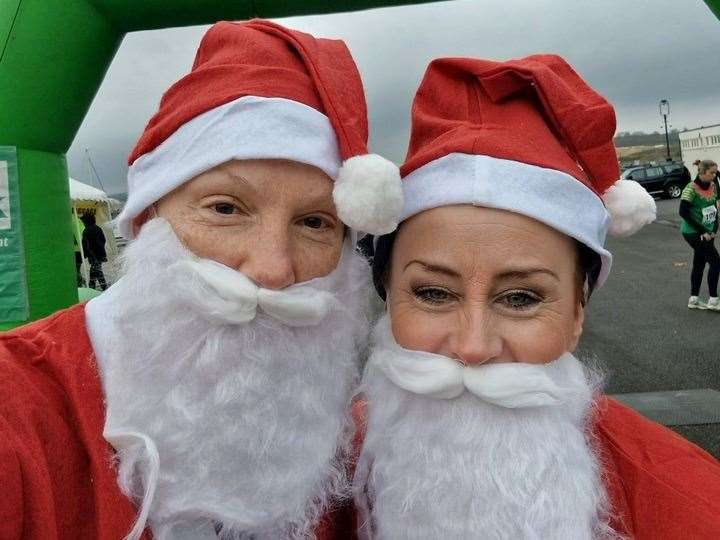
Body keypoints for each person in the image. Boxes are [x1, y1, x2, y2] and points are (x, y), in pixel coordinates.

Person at [0, 20, 402, 540]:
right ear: (148, 220)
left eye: (314, 223)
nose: (273, 270)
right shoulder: (18, 406)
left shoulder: (348, 430)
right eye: (226, 208)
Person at [352, 55, 720, 539]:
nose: (474, 349)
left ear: (576, 312)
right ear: (388, 296)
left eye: (521, 298)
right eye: (434, 293)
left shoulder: (694, 507)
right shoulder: (306, 474)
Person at [680, 159, 719, 310]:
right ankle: (713, 301)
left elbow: (713, 209)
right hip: (693, 232)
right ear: (702, 172)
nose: (714, 175)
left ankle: (694, 299)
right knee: (716, 262)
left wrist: (713, 229)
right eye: (712, 173)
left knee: (699, 263)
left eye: (716, 172)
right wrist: (702, 231)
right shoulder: (691, 188)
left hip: (707, 233)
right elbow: (682, 212)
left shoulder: (713, 186)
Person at [80, 212, 108, 290]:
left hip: (92, 255)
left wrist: (85, 254)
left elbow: (85, 244)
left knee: (97, 270)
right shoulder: (98, 228)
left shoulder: (86, 231)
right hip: (100, 253)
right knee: (95, 270)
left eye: (83, 221)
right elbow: (104, 240)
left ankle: (104, 287)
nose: (83, 223)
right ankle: (93, 286)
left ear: (86, 221)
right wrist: (100, 247)